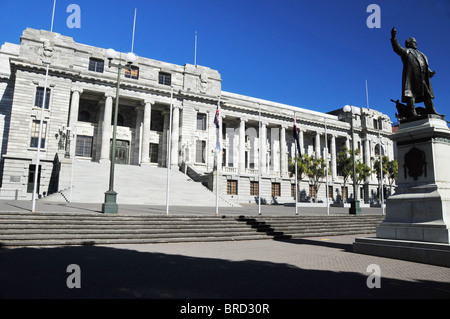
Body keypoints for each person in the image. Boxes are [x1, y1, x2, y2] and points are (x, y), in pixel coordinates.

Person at [390, 27, 438, 117]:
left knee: (427, 95)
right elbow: (397, 48)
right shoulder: (406, 51)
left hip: (422, 79)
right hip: (411, 77)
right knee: (410, 95)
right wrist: (393, 37)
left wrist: (430, 73)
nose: (415, 44)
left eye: (416, 43)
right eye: (413, 42)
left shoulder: (422, 54)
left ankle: (431, 110)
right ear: (408, 44)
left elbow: (423, 65)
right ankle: (412, 113)